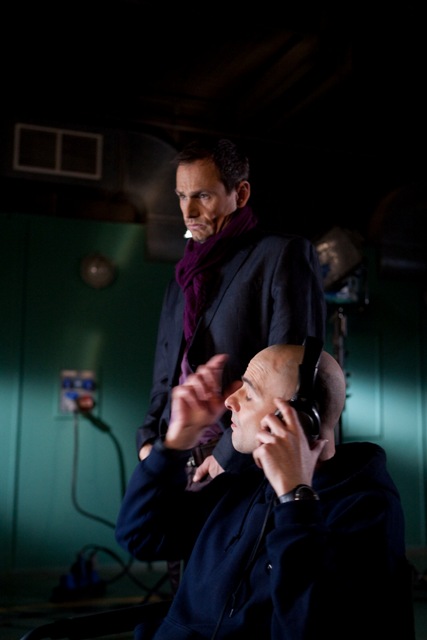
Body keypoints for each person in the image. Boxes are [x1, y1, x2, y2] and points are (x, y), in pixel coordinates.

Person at [116, 343, 414, 639]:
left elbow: (306, 629)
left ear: (299, 418)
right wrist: (174, 445)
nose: (230, 400)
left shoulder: (366, 509)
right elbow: (140, 537)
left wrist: (294, 499)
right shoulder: (246, 480)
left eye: (249, 393)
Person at [137, 137, 326, 591]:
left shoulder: (281, 255)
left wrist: (225, 459)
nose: (188, 211)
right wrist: (150, 442)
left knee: (230, 600)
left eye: (202, 195)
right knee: (184, 595)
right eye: (181, 196)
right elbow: (167, 373)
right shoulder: (179, 280)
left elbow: (291, 378)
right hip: (176, 461)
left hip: (242, 470)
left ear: (239, 194)